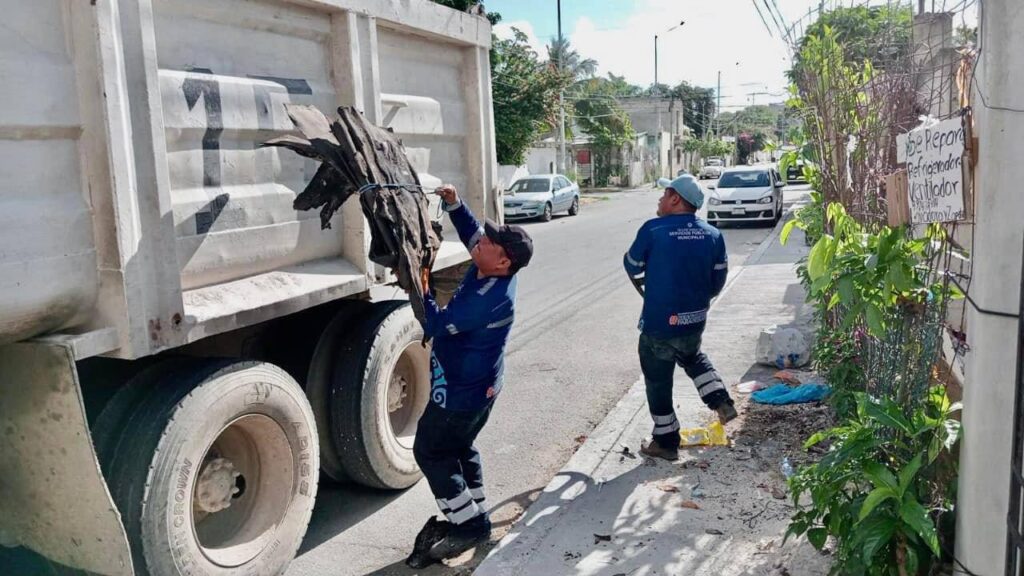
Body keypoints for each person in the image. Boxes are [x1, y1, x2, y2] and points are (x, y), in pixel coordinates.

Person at [406, 184, 534, 568]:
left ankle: (467, 524)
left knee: (430, 451)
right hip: (482, 387)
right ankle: (478, 511)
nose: (480, 241)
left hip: (462, 394)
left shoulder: (488, 299)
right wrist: (455, 204)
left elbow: (434, 322)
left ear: (503, 262)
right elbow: (471, 233)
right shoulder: (492, 264)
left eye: (490, 242)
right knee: (461, 448)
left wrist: (421, 275)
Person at [623, 174, 737, 462]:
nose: (660, 199)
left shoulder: (653, 230)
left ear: (675, 199)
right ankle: (720, 400)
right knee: (692, 356)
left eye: (664, 194)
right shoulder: (712, 234)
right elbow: (717, 280)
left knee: (658, 380)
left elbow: (632, 265)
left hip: (659, 323)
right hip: (694, 318)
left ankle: (666, 441)